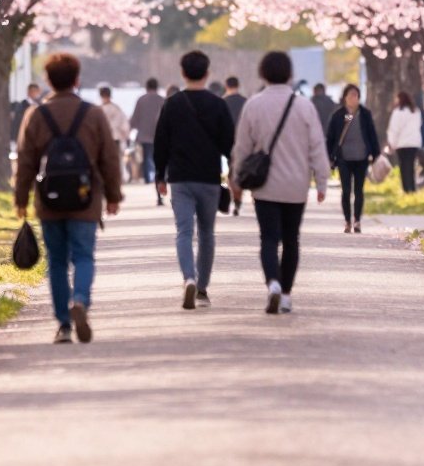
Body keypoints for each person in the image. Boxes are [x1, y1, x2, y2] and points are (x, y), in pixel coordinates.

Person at [15, 52, 122, 345]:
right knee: (84, 255)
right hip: (86, 200)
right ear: (77, 80)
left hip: (48, 201)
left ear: (48, 80)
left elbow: (25, 162)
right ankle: (81, 300)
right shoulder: (93, 114)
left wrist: (20, 199)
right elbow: (109, 159)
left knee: (57, 261)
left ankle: (63, 325)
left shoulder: (35, 115)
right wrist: (113, 196)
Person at [230, 50, 329, 315]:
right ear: (290, 74)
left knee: (268, 238)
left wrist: (236, 177)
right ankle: (285, 294)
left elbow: (242, 147)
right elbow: (317, 147)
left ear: (262, 73)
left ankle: (272, 282)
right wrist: (321, 181)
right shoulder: (304, 106)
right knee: (292, 240)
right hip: (296, 187)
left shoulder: (254, 104)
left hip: (265, 187)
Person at [154, 51, 235, 309]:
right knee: (207, 233)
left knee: (184, 231)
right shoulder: (218, 104)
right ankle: (202, 289)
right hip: (209, 178)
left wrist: (159, 175)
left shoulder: (172, 103)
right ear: (207, 73)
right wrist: (233, 174)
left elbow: (160, 143)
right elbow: (229, 144)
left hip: (180, 178)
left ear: (183, 73)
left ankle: (188, 277)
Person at [325, 85, 381, 234]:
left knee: (359, 190)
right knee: (346, 190)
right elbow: (330, 137)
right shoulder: (339, 115)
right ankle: (347, 221)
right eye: (350, 95)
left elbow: (372, 134)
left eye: (356, 95)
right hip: (344, 158)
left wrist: (376, 154)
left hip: (361, 158)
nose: (353, 98)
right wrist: (329, 156)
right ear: (344, 97)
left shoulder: (364, 114)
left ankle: (357, 220)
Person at [131, 77, 165, 201]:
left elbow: (135, 117)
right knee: (159, 159)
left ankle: (147, 178)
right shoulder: (162, 100)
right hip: (159, 135)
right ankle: (159, 177)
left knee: (146, 157)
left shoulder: (141, 100)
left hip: (144, 135)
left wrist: (131, 128)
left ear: (146, 87)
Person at [387, 91, 424, 194]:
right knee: (411, 166)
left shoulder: (398, 112)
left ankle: (406, 188)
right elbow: (419, 125)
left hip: (402, 144)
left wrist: (392, 144)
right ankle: (412, 188)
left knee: (403, 166)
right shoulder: (416, 112)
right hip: (414, 143)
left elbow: (394, 129)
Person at [98, 85, 131, 177]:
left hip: (102, 139)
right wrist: (125, 136)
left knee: (103, 161)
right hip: (115, 138)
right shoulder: (116, 109)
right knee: (116, 160)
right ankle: (116, 178)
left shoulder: (98, 110)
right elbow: (125, 125)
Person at [11, 80, 41, 149]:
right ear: (29, 92)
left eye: (36, 91)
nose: (35, 94)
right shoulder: (22, 105)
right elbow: (17, 122)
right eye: (33, 91)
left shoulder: (40, 104)